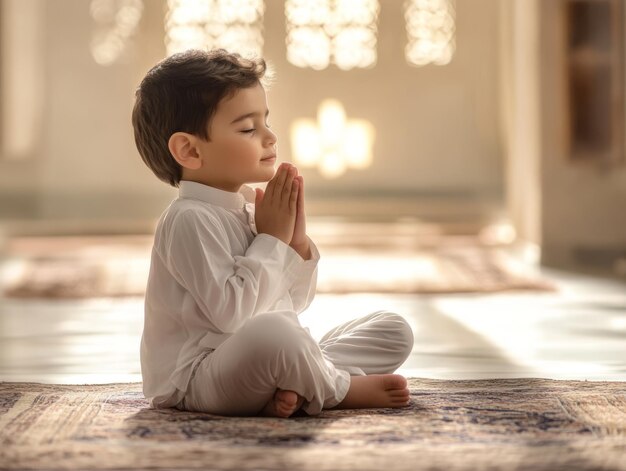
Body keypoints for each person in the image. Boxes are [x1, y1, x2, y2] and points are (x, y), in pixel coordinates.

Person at [132, 49, 414, 418]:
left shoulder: (251, 207)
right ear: (189, 150)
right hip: (197, 379)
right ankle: (337, 389)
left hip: (261, 360)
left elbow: (292, 304)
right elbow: (232, 316)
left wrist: (294, 245)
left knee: (394, 329)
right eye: (248, 128)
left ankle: (297, 382)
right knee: (275, 336)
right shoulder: (187, 219)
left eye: (266, 121)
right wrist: (272, 242)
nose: (270, 136)